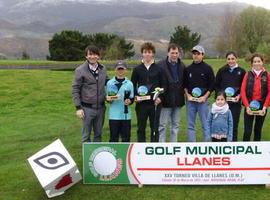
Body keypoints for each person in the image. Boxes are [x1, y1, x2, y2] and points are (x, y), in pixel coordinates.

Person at [72, 45, 108, 142]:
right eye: (90, 54)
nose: (93, 57)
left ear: (98, 56)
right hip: (87, 109)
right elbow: (75, 89)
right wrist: (78, 107)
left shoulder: (103, 69)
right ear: (86, 56)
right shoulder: (80, 70)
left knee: (98, 134)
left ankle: (97, 157)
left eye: (95, 54)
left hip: (101, 108)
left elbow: (107, 83)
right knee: (86, 136)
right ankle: (87, 157)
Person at [131, 42, 164, 142]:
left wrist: (160, 98)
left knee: (154, 128)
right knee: (141, 128)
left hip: (155, 103)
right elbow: (132, 85)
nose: (147, 54)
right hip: (141, 104)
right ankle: (142, 151)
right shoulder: (137, 69)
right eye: (145, 52)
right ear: (142, 53)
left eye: (149, 52)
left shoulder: (159, 69)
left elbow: (164, 85)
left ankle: (153, 150)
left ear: (153, 53)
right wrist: (136, 97)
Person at [183, 45, 215, 142]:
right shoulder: (188, 69)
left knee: (206, 125)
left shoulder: (208, 68)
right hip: (190, 102)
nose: (196, 56)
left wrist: (205, 97)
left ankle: (207, 147)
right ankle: (192, 147)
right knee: (190, 125)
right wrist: (187, 95)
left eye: (198, 54)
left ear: (202, 55)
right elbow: (184, 85)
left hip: (203, 102)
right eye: (194, 54)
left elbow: (212, 85)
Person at [215, 51, 246, 141]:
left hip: (235, 103)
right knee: (223, 125)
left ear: (236, 59)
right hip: (223, 104)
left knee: (234, 125)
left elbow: (244, 87)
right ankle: (224, 144)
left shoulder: (242, 71)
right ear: (226, 60)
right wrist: (221, 97)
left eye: (233, 59)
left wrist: (239, 96)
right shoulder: (222, 70)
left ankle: (233, 145)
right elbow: (216, 85)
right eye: (228, 59)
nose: (231, 61)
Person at [157, 43, 185, 142]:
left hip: (178, 100)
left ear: (179, 54)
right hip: (165, 100)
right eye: (172, 53)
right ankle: (162, 147)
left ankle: (174, 146)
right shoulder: (160, 65)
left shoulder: (182, 65)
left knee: (175, 125)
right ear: (168, 53)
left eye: (176, 53)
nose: (174, 55)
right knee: (162, 125)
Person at [240, 53, 270, 141]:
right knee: (247, 131)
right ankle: (245, 151)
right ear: (252, 63)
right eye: (254, 61)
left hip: (262, 106)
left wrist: (265, 106)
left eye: (259, 61)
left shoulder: (267, 75)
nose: (257, 63)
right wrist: (247, 106)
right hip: (249, 106)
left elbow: (269, 92)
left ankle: (256, 153)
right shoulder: (247, 74)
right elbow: (242, 91)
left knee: (258, 130)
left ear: (262, 62)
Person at [106, 60, 134, 142]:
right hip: (114, 115)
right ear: (115, 69)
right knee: (113, 138)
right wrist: (109, 100)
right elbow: (108, 98)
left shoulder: (129, 83)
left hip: (126, 115)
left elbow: (132, 98)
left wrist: (130, 101)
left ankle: (125, 155)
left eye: (122, 68)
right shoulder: (109, 83)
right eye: (118, 69)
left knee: (126, 139)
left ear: (125, 70)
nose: (120, 70)